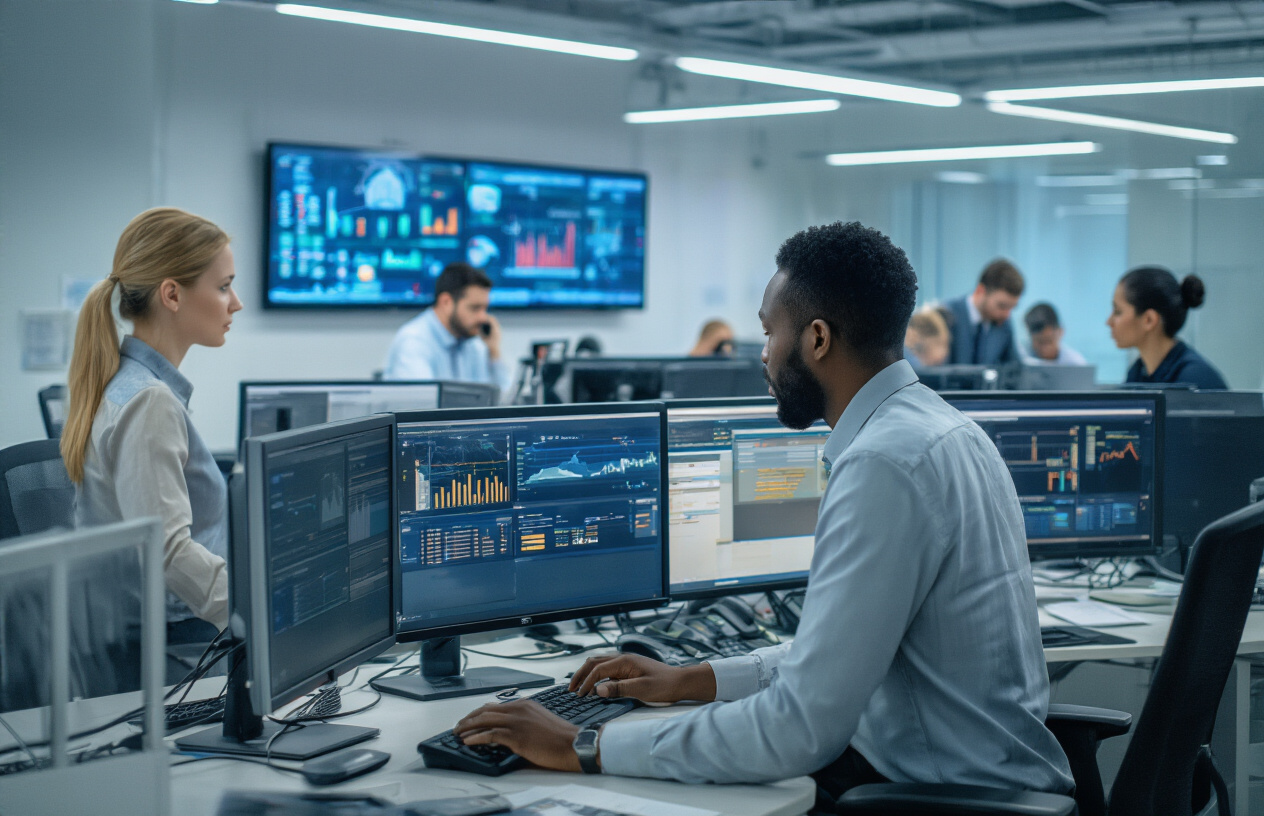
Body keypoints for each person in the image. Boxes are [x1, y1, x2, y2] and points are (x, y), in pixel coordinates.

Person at [452, 222, 1072, 803]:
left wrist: (584, 744)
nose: (765, 355)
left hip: (942, 799)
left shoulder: (883, 464)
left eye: (770, 333)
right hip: (975, 777)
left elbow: (798, 729)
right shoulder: (944, 430)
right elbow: (841, 656)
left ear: (818, 339)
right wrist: (693, 678)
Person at [63, 207, 242, 641]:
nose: (235, 303)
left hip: (156, 631)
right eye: (223, 287)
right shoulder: (149, 401)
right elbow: (169, 552)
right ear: (172, 295)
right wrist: (255, 611)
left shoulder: (132, 385)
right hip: (166, 642)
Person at [382, 263, 513, 394]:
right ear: (446, 302)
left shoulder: (473, 343)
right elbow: (423, 402)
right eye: (475, 308)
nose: (483, 318)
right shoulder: (414, 342)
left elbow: (501, 399)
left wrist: (493, 351)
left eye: (485, 309)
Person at [1108, 266, 1227, 389]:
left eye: (1118, 312)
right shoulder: (1137, 373)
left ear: (1149, 320)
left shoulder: (1193, 381)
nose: (1109, 322)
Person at [944, 259, 1025, 365]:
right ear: (980, 291)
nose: (1007, 315)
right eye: (1002, 306)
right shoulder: (946, 315)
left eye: (1012, 308)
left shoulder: (1003, 325)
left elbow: (1014, 368)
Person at [1023, 303, 1087, 365]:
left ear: (1060, 332)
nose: (1045, 350)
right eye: (1040, 342)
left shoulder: (1075, 363)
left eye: (1049, 341)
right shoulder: (1022, 358)